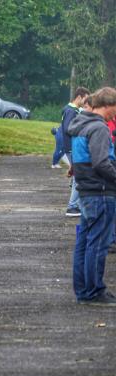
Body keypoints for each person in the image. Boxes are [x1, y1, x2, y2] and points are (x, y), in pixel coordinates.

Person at [70, 87, 116, 306]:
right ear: (107, 105)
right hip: (101, 192)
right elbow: (101, 163)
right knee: (98, 244)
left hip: (86, 191)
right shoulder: (99, 128)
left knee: (84, 243)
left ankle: (83, 290)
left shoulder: (80, 125)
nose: (115, 114)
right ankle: (95, 291)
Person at [63, 87, 91, 217]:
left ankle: (76, 205)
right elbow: (69, 129)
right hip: (72, 147)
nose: (86, 104)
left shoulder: (71, 110)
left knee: (76, 177)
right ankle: (73, 206)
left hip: (72, 147)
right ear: (79, 97)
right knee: (78, 178)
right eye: (85, 100)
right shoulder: (71, 111)